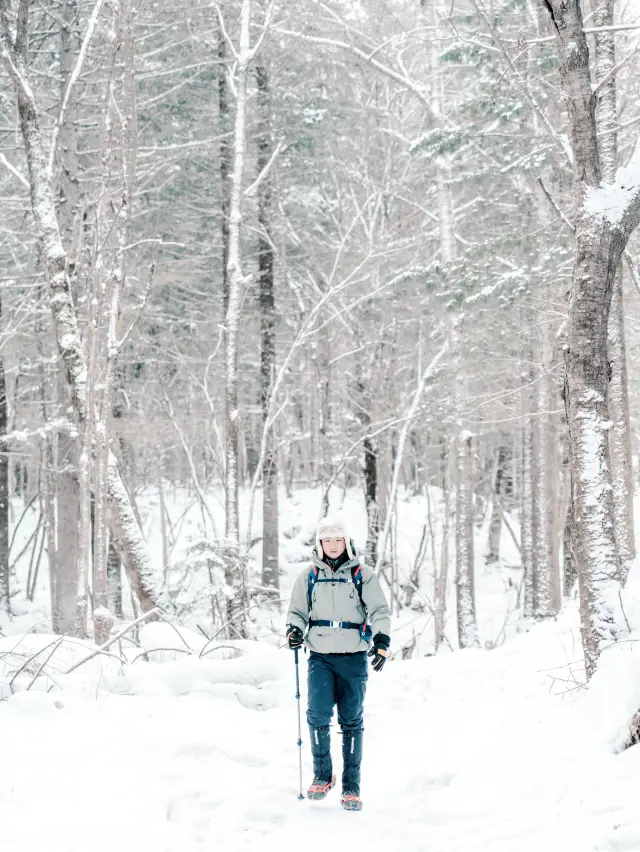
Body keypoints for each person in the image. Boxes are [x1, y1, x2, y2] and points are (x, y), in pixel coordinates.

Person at [285, 517, 391, 812]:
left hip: (353, 656)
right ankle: (322, 775)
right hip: (320, 655)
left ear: (346, 542)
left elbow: (380, 610)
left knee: (351, 720)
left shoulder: (362, 575)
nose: (332, 546)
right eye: (327, 541)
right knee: (317, 714)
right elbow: (296, 611)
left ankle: (351, 786)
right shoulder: (308, 577)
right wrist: (294, 630)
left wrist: (382, 641)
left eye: (337, 540)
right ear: (319, 545)